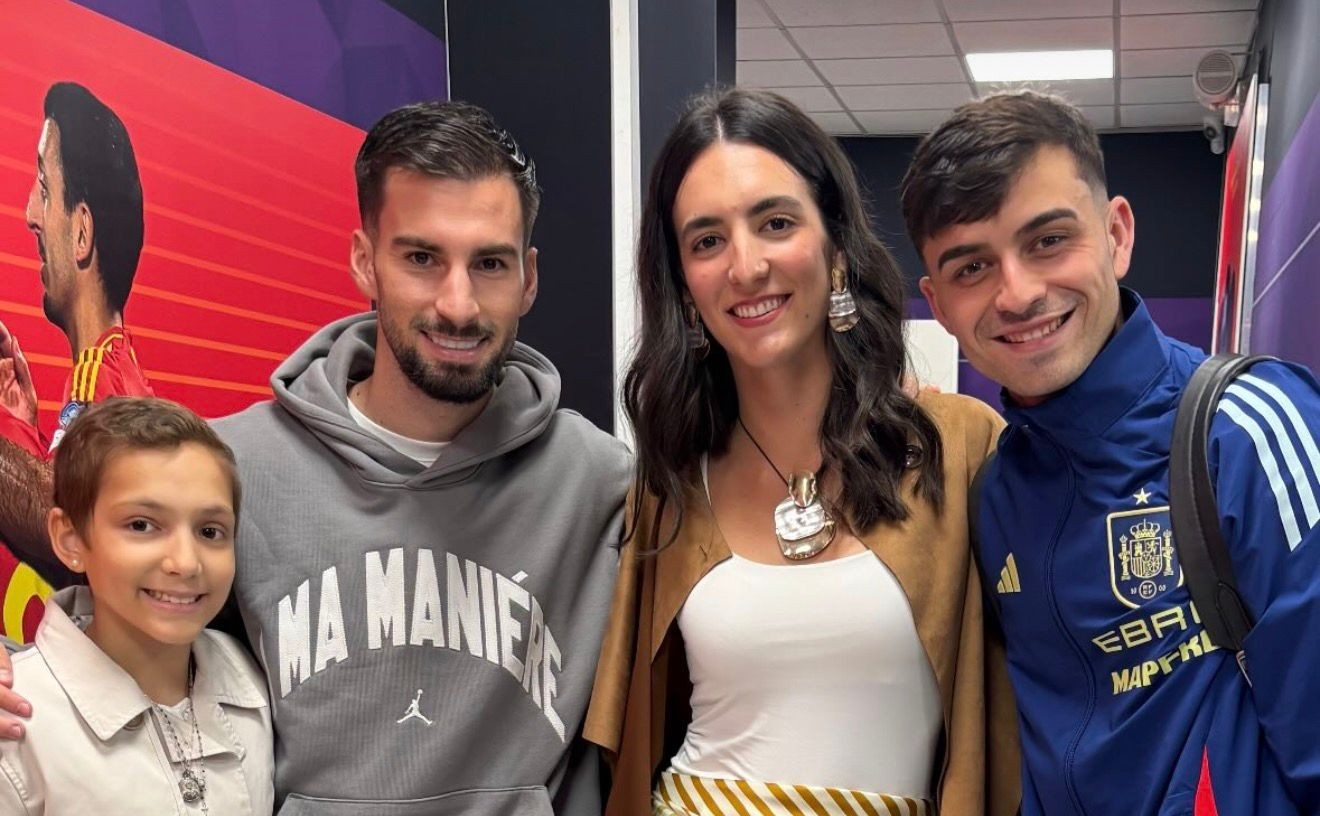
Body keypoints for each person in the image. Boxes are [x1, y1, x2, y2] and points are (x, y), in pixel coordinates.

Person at [585, 87, 1020, 816]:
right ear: (685, 286)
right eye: (707, 240)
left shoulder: (958, 448)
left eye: (775, 222)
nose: (745, 266)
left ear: (835, 244)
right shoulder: (672, 479)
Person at [901, 89, 1320, 815]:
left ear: (1116, 233)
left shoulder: (1246, 430)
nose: (1018, 293)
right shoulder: (997, 492)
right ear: (938, 304)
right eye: (972, 268)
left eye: (1048, 240)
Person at [0, 397, 273, 814]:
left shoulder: (255, 681)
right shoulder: (18, 724)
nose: (185, 562)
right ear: (70, 539)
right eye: (142, 525)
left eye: (210, 531)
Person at [0, 81, 150, 633]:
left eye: (43, 186)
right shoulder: (112, 373)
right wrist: (20, 430)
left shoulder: (103, 378)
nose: (29, 213)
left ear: (81, 230)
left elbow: (65, 529)